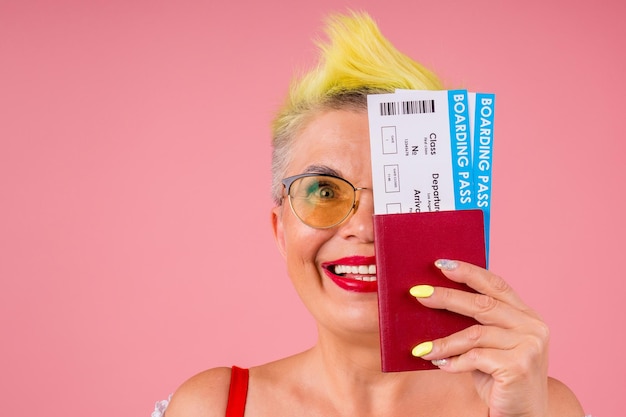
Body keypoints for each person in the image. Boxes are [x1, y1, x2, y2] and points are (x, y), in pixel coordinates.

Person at [159, 11, 588, 417]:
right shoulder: (210, 407)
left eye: (395, 195)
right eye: (324, 190)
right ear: (280, 231)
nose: (364, 228)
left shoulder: (540, 404)